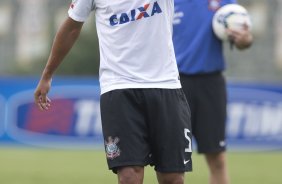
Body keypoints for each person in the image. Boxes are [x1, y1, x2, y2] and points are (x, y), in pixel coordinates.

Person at [34, 0, 193, 183]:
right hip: (119, 89)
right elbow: (71, 27)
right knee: (128, 176)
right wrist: (47, 75)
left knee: (173, 178)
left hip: (166, 86)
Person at [173, 0, 253, 184]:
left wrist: (245, 39)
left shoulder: (225, 3)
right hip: (174, 85)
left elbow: (245, 39)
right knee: (173, 164)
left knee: (217, 159)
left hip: (210, 84)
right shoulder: (167, 2)